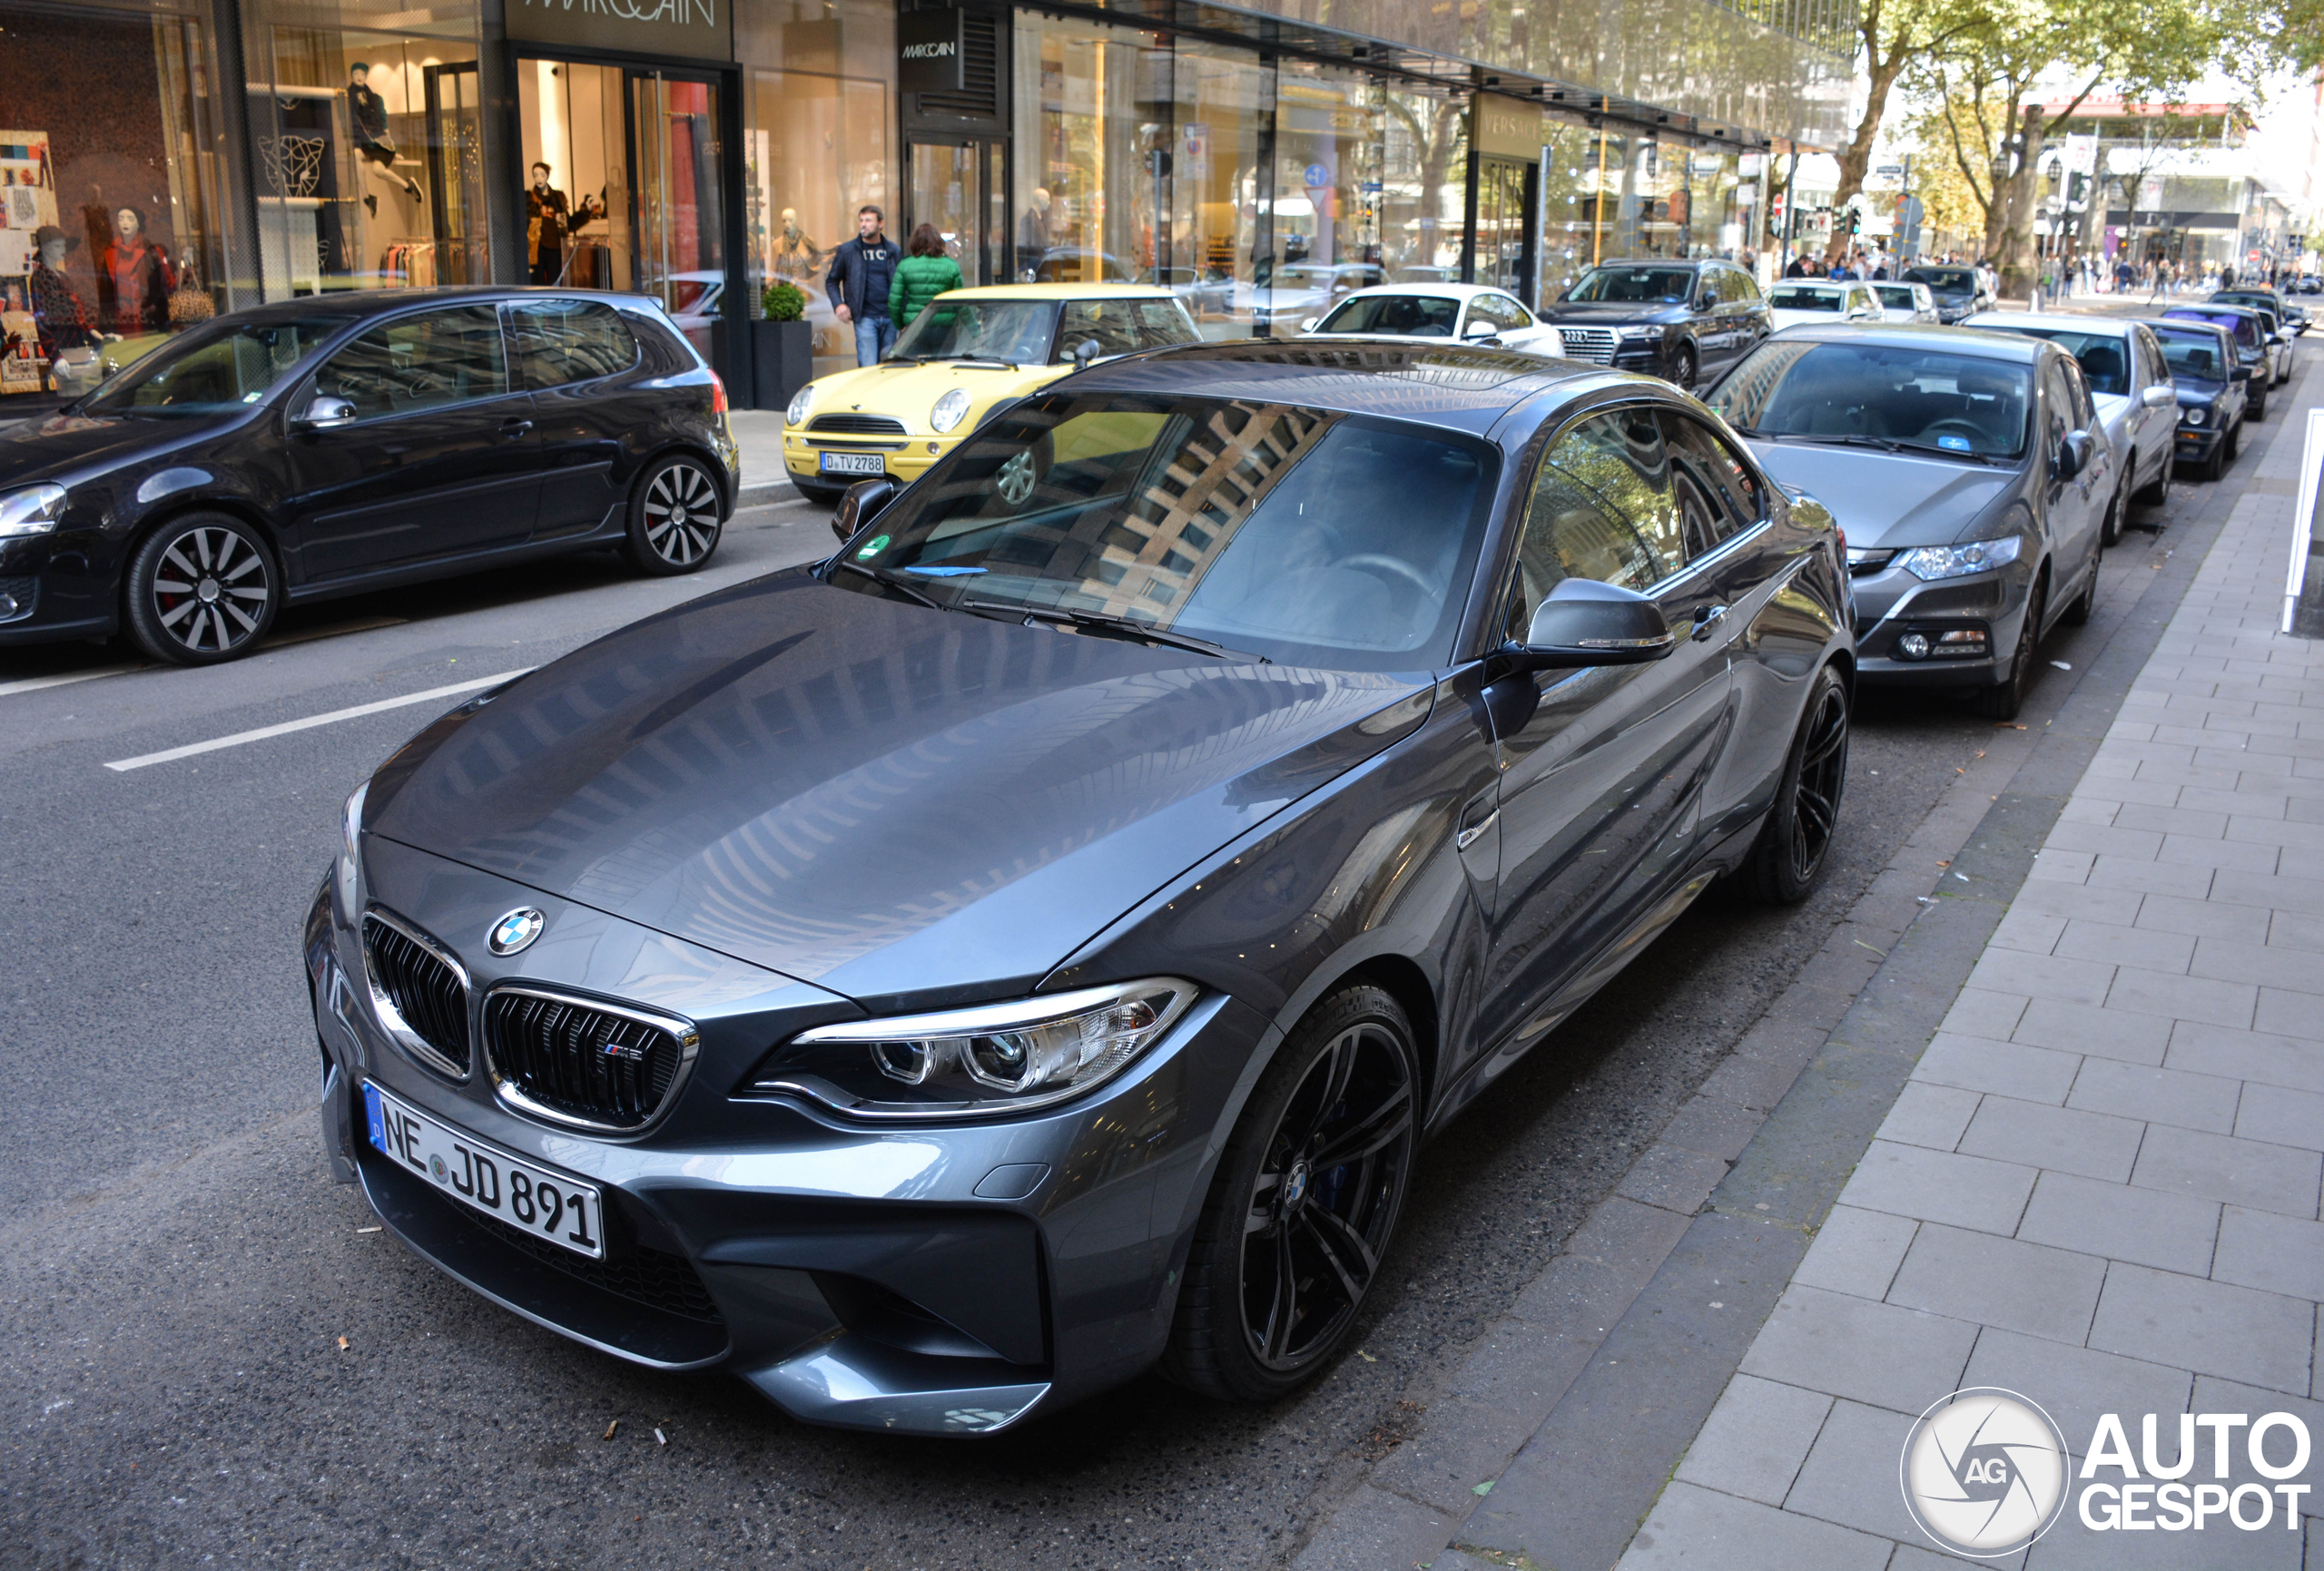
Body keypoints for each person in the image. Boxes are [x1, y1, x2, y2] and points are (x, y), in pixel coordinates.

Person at [826, 204, 900, 367]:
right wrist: (839, 305)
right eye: (861, 220)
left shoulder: (893, 251)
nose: (863, 225)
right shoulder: (848, 250)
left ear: (881, 223)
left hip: (890, 317)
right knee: (868, 367)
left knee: (889, 369)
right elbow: (831, 281)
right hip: (865, 317)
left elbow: (901, 284)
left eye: (868, 220)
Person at [24, 224, 94, 392]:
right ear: (45, 248)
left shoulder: (63, 277)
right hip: (61, 345)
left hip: (77, 345)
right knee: (72, 393)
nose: (62, 249)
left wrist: (92, 331)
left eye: (63, 245)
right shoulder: (39, 278)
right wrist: (55, 356)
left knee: (84, 393)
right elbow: (41, 320)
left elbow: (78, 312)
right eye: (57, 245)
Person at [347, 63, 423, 218]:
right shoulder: (349, 98)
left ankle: (407, 186)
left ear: (366, 76)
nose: (359, 77)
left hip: (379, 141)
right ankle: (367, 198)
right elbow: (348, 122)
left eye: (362, 73)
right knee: (356, 155)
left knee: (378, 170)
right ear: (352, 76)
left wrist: (392, 148)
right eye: (355, 74)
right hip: (364, 142)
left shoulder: (375, 99)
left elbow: (383, 122)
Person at [98, 206, 172, 335]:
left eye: (130, 219)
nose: (125, 222)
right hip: (122, 318)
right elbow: (105, 292)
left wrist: (155, 306)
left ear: (138, 223)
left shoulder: (151, 251)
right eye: (121, 219)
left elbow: (166, 284)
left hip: (148, 318)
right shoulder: (111, 253)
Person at [524, 162, 600, 286]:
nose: (538, 178)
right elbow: (524, 225)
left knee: (556, 282)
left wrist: (585, 210)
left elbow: (569, 224)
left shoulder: (558, 199)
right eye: (535, 175)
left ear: (547, 176)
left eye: (542, 175)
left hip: (556, 247)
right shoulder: (529, 199)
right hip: (537, 249)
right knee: (537, 284)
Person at [888, 224, 964, 330]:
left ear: (914, 242)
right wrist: (975, 332)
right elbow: (961, 303)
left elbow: (894, 302)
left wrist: (900, 325)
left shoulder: (905, 265)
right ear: (938, 242)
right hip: (944, 327)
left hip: (914, 325)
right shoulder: (951, 266)